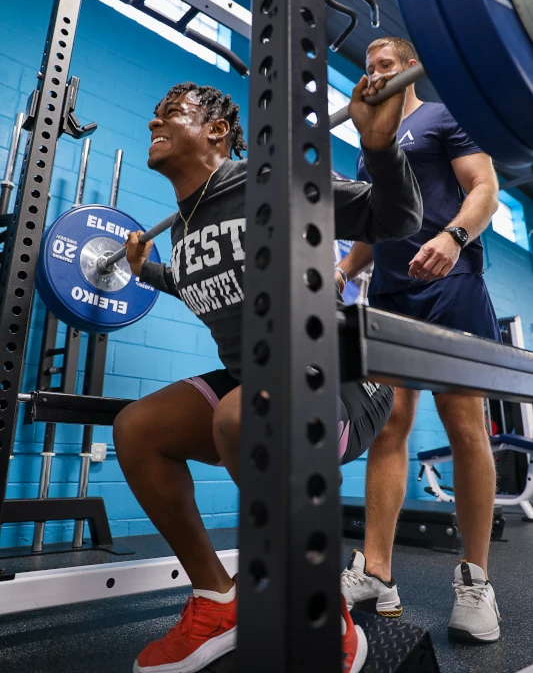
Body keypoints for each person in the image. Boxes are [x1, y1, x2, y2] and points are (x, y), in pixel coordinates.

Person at [114, 77, 422, 673]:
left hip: (342, 380)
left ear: (216, 130)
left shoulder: (271, 184)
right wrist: (146, 270)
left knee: (240, 411)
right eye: (154, 113)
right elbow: (203, 285)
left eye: (171, 113)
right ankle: (216, 601)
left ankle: (319, 606)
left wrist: (381, 149)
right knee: (137, 430)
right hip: (257, 382)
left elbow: (399, 217)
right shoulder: (183, 226)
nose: (155, 122)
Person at [337, 37, 502, 644]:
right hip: (390, 292)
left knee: (463, 423)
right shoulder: (368, 142)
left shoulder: (443, 115)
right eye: (368, 67)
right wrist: (343, 271)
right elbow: (372, 223)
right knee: (387, 423)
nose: (375, 75)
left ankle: (476, 582)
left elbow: (484, 185)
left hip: (449, 281)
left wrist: (455, 237)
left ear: (409, 70)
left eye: (386, 66)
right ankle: (377, 571)